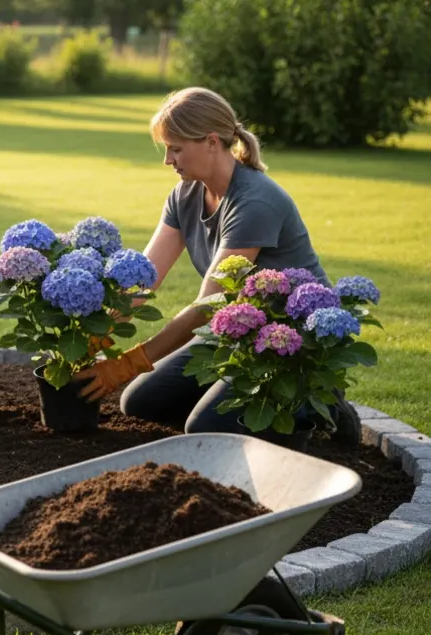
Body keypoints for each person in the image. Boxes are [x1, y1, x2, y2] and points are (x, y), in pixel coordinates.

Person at [73, 86, 359, 442]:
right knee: (142, 402)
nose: (168, 160)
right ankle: (231, 404)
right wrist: (97, 335)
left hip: (289, 344)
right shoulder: (185, 195)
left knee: (207, 428)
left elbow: (206, 307)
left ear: (211, 141)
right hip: (238, 331)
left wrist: (128, 364)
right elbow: (143, 280)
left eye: (175, 149)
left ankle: (323, 403)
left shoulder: (254, 201)